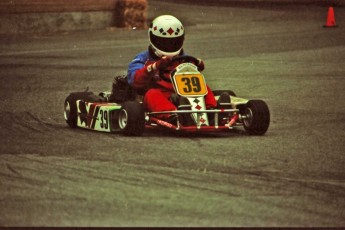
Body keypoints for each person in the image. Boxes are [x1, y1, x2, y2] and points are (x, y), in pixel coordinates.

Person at [127, 15, 227, 124]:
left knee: (203, 87)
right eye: (164, 42)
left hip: (183, 95)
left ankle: (212, 111)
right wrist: (154, 67)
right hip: (160, 97)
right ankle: (174, 115)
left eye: (174, 42)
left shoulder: (184, 58)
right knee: (152, 94)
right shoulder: (142, 59)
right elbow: (134, 81)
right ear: (152, 38)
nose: (169, 46)